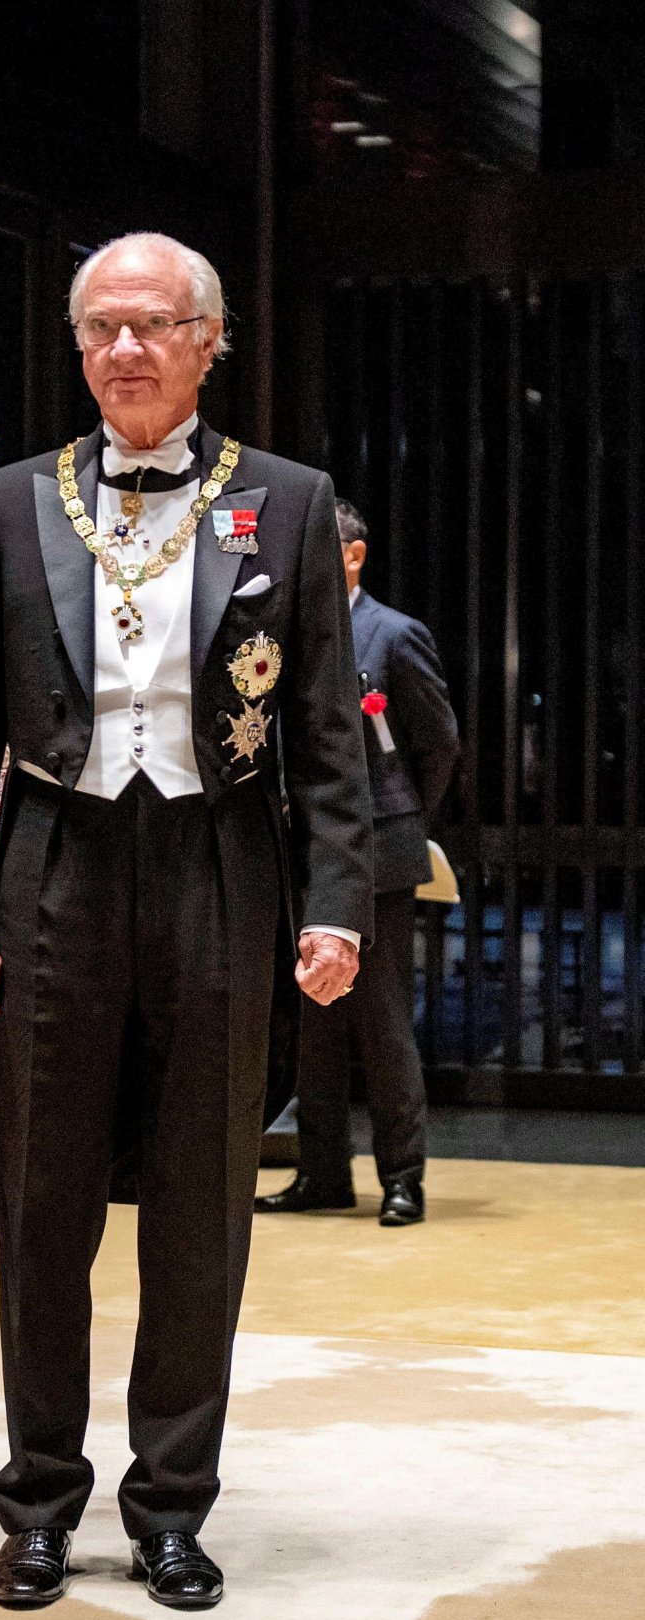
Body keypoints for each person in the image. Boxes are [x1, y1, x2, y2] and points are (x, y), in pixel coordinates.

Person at [0, 232, 373, 1611]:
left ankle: (172, 1502)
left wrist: (339, 899)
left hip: (220, 857)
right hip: (55, 852)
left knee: (197, 1205)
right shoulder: (16, 500)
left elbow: (324, 735)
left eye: (155, 325)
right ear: (79, 346)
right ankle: (40, 1502)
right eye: (102, 327)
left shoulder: (285, 503)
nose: (126, 348)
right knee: (42, 1200)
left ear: (208, 340)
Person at [257, 499, 459, 1226]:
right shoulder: (287, 629)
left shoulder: (395, 634)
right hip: (304, 845)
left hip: (378, 845)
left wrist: (399, 816)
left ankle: (403, 1174)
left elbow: (437, 742)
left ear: (353, 555)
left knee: (381, 1018)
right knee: (313, 1021)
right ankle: (321, 1172)